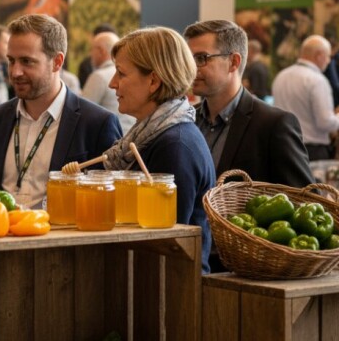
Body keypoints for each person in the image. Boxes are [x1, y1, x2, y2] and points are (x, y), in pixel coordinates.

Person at [0, 15, 121, 208]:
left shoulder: (97, 123)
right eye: (11, 61)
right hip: (1, 235)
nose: (16, 72)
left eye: (27, 61)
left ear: (57, 62)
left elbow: (108, 205)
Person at [103, 26, 214, 273]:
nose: (112, 83)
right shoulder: (154, 135)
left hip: (170, 291)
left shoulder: (174, 145)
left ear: (153, 81)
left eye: (121, 73)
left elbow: (167, 243)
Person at [184, 20, 313, 186]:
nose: (191, 68)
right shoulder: (188, 119)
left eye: (201, 58)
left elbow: (305, 200)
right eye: (188, 59)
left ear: (233, 62)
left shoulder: (273, 125)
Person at [273, 35, 339, 161]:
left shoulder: (281, 76)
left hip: (282, 148)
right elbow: (325, 122)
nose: (329, 61)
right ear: (319, 55)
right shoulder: (317, 80)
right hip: (311, 152)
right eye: (328, 56)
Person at [82, 31, 135, 134]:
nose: (112, 84)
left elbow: (81, 113)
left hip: (109, 139)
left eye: (92, 49)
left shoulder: (98, 77)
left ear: (101, 51)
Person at [77, 23, 117, 88]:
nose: (91, 53)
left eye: (93, 48)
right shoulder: (85, 65)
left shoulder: (98, 76)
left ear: (101, 50)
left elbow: (86, 97)